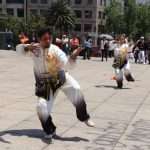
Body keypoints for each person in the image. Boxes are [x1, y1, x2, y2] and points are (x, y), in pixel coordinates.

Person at [20, 28, 95, 141]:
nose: (48, 41)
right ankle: (49, 129)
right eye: (45, 39)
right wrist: (26, 47)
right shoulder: (34, 49)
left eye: (49, 38)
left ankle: (84, 117)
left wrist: (73, 56)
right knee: (41, 107)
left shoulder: (56, 50)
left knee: (76, 89)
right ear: (39, 39)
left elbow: (67, 65)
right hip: (45, 84)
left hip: (61, 78)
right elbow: (19, 50)